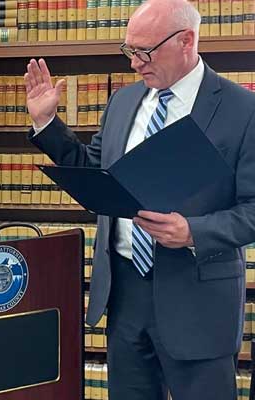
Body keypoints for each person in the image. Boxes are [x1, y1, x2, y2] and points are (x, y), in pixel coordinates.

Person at [25, 0, 255, 399]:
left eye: (144, 51)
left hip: (198, 301)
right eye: (130, 50)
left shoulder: (243, 110)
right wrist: (47, 123)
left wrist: (193, 232)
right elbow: (95, 175)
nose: (135, 63)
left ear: (187, 41)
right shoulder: (124, 102)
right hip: (124, 295)